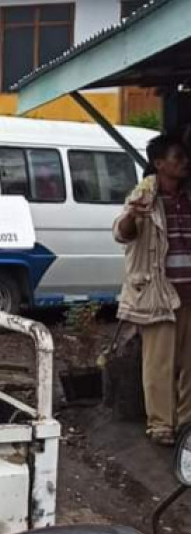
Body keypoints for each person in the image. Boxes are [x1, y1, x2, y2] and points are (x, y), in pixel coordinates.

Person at [113, 134, 191, 446]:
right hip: (159, 293)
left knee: (190, 363)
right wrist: (133, 214)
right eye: (177, 158)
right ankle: (161, 425)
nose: (184, 163)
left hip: (189, 293)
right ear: (159, 164)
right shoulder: (144, 197)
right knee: (159, 365)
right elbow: (121, 233)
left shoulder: (187, 197)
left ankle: (186, 422)